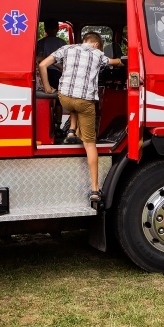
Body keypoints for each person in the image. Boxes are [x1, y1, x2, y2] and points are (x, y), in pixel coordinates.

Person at [39, 32, 123, 203]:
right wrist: (123, 61)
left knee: (72, 101)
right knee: (90, 143)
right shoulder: (97, 53)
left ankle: (71, 131)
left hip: (65, 99)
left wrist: (48, 88)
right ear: (95, 44)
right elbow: (115, 62)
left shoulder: (66, 48)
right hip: (84, 102)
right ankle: (94, 189)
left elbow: (42, 65)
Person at [36, 19, 67, 134]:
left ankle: (47, 122)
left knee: (46, 97)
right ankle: (58, 125)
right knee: (59, 98)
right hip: (56, 72)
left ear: (45, 29)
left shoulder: (41, 42)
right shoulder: (62, 42)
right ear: (57, 29)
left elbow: (38, 58)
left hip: (42, 73)